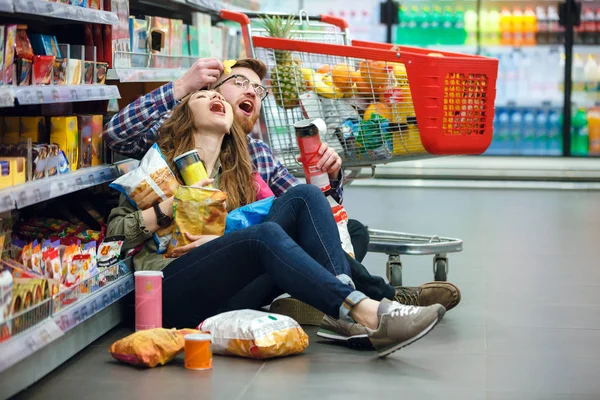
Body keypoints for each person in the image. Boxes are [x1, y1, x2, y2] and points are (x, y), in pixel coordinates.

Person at [103, 58, 460, 333]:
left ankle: (344, 306)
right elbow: (116, 143)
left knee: (311, 205)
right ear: (190, 105)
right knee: (270, 236)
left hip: (236, 274)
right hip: (173, 281)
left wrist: (329, 180)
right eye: (236, 83)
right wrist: (169, 207)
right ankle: (368, 305)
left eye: (258, 91)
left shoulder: (250, 158)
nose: (249, 93)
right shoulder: (161, 156)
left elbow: (314, 216)